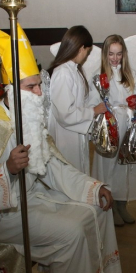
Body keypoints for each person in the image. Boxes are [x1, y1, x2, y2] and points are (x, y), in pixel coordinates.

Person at [0, 25, 122, 273]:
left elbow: (55, 167)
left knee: (96, 210)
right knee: (73, 231)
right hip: (5, 213)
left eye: (39, 86)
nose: (39, 93)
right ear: (11, 91)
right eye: (31, 87)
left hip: (34, 198)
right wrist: (8, 169)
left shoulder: (30, 120)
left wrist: (94, 186)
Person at [91, 34, 136, 227]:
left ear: (124, 55)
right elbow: (93, 103)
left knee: (127, 167)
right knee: (110, 167)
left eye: (119, 54)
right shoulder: (100, 78)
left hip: (129, 126)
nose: (115, 58)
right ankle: (111, 205)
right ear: (105, 54)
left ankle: (123, 204)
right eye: (111, 54)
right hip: (111, 128)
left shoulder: (132, 76)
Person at [47, 25, 107, 174]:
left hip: (75, 131)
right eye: (87, 51)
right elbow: (65, 113)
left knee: (78, 172)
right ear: (81, 48)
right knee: (69, 173)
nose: (86, 56)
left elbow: (80, 102)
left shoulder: (74, 70)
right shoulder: (63, 73)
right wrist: (93, 111)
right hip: (66, 136)